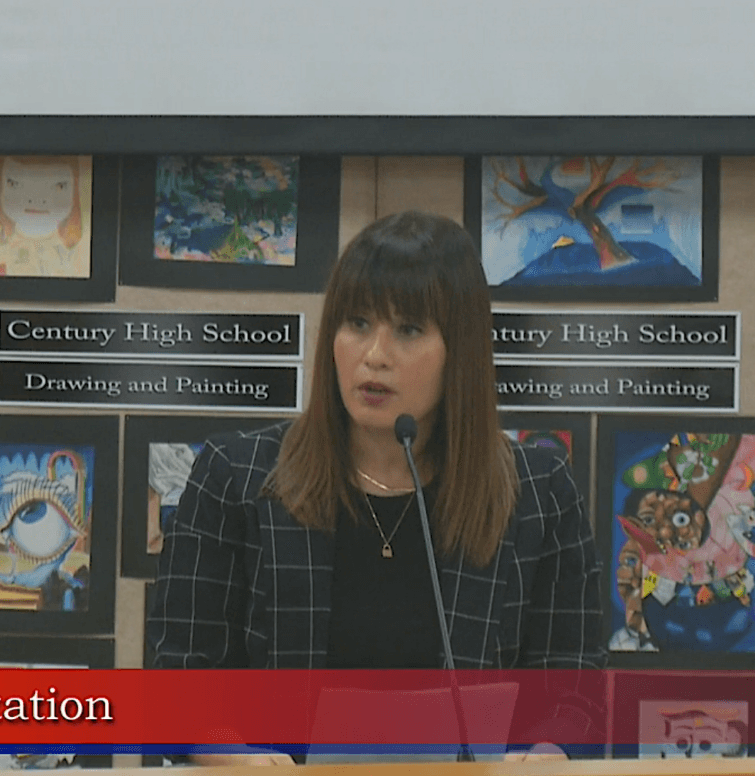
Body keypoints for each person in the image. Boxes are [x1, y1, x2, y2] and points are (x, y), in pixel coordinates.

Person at [146, 211, 607, 766]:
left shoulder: (538, 492)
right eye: (358, 323)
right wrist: (229, 756)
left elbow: (574, 688)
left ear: (460, 350)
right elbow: (179, 679)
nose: (374, 355)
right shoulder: (237, 477)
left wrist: (547, 756)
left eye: (408, 330)